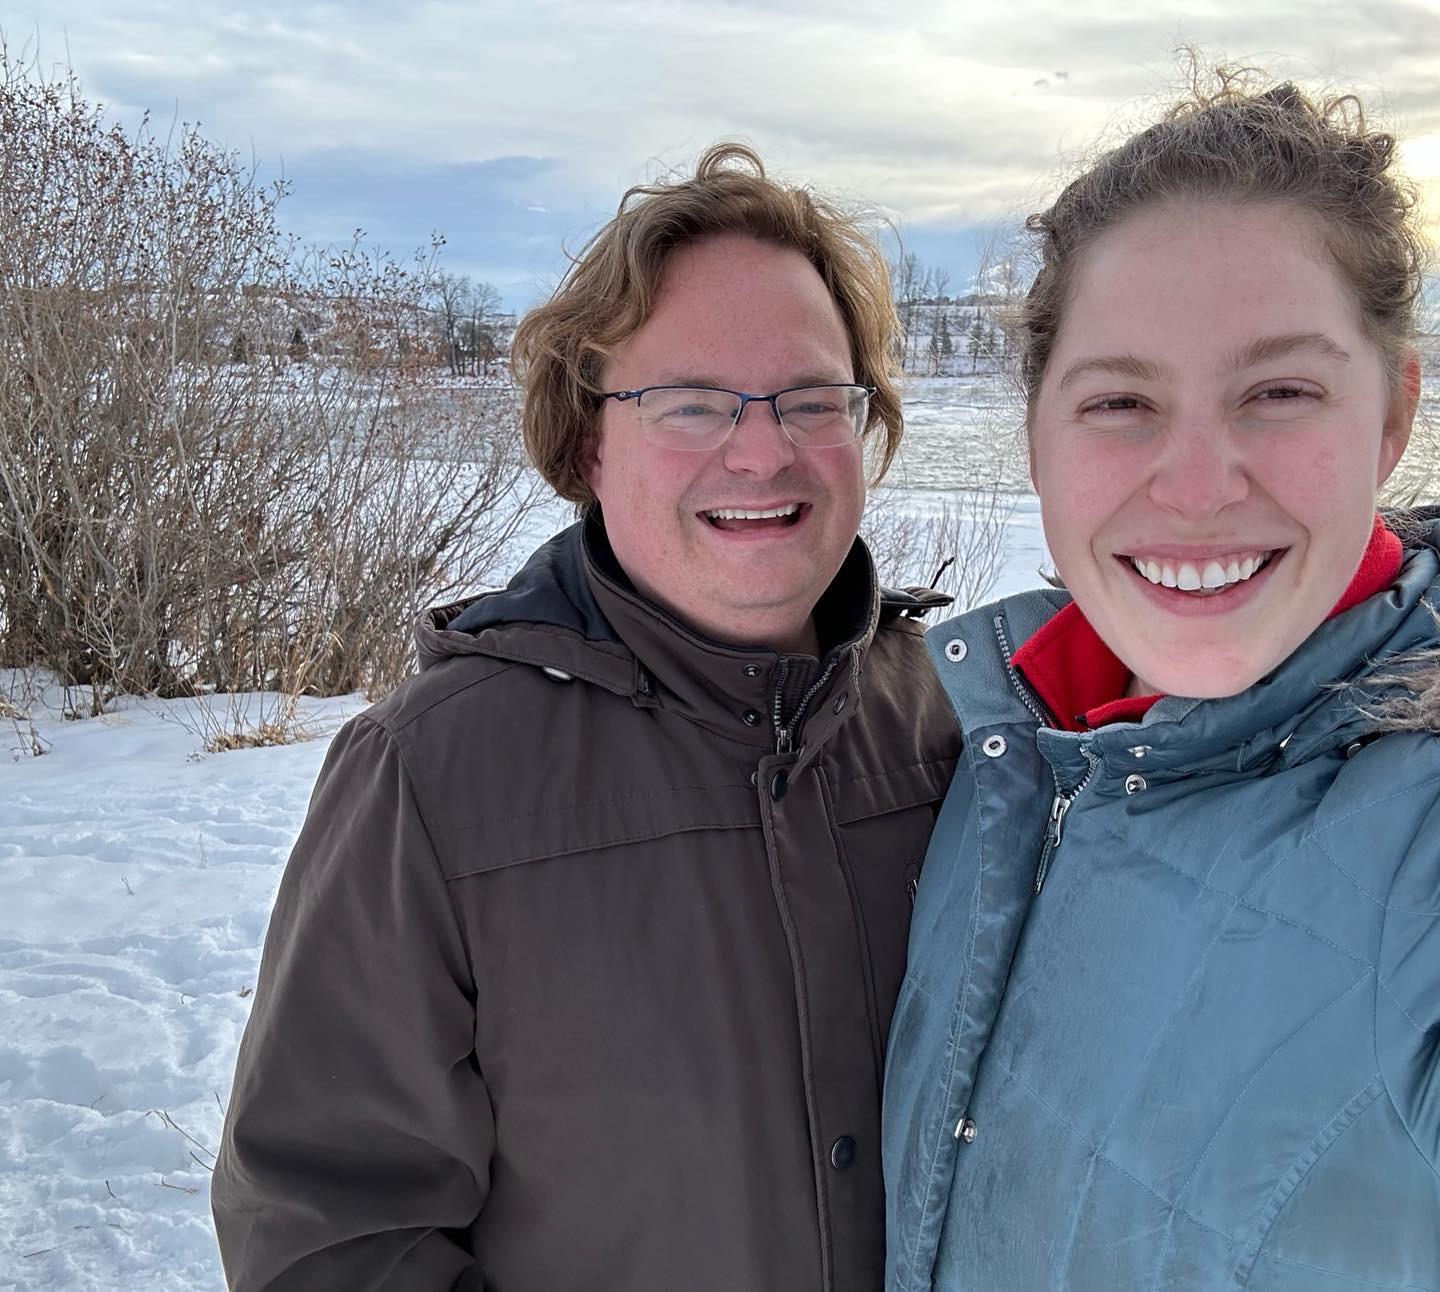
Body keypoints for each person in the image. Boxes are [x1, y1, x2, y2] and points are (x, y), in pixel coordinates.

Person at [211, 143, 961, 1292]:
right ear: (587, 442)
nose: (760, 449)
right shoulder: (433, 776)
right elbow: (330, 1235)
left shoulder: (957, 719)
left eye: (811, 396)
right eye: (692, 402)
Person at [883, 71, 1439, 1291]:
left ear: (1392, 416)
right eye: (1123, 400)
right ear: (1039, 435)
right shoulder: (998, 737)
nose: (1197, 484)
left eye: (1281, 391)